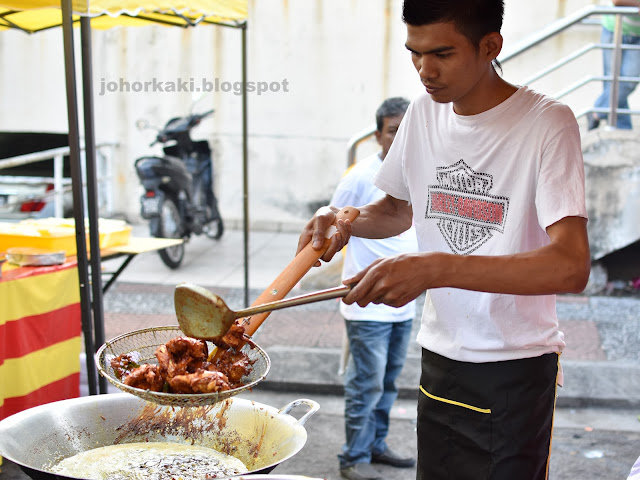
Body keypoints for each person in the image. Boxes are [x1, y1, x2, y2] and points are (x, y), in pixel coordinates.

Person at [296, 1, 591, 479]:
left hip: (513, 364)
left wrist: (434, 267)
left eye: (442, 54)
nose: (424, 71)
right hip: (440, 355)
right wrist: (344, 219)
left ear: (490, 46)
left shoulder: (548, 123)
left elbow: (571, 265)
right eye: (414, 54)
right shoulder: (422, 114)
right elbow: (395, 210)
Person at [332, 97, 419, 480]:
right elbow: (335, 225)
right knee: (365, 384)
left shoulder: (420, 172)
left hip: (404, 303)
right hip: (367, 305)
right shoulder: (360, 177)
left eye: (406, 130)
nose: (400, 138)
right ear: (378, 135)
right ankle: (353, 457)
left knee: (387, 384)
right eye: (393, 130)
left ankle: (376, 445)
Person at [589, 0, 640, 130]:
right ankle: (622, 127)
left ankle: (597, 111)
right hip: (615, 26)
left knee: (628, 81)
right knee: (612, 80)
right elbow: (618, 1)